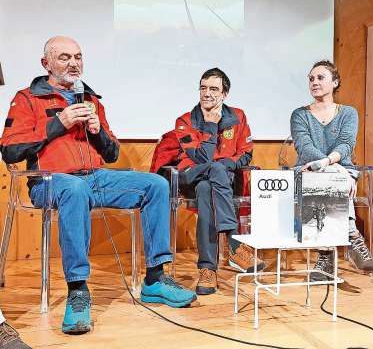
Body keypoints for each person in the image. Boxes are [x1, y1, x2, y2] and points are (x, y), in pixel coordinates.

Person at [0, 36, 196, 335]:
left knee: (156, 184)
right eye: (64, 57)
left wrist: (99, 131)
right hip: (48, 182)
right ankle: (78, 290)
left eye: (78, 57)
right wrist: (59, 123)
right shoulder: (26, 98)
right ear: (46, 63)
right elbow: (10, 151)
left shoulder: (90, 100)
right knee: (75, 190)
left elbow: (112, 153)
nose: (73, 63)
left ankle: (155, 279)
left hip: (95, 177)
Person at [169, 67, 264, 296]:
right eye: (203, 88)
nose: (207, 93)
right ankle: (234, 244)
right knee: (206, 176)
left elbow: (246, 154)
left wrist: (223, 166)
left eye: (213, 89)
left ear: (225, 94)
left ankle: (207, 270)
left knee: (207, 189)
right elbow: (200, 159)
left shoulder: (238, 116)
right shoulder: (185, 121)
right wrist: (210, 126)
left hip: (219, 181)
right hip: (189, 176)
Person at [290, 60, 373, 281]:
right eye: (311, 78)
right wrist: (331, 166)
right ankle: (352, 236)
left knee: (333, 182)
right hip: (309, 170)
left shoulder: (348, 113)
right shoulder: (299, 114)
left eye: (320, 77)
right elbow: (304, 146)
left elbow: (346, 144)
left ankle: (326, 259)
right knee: (330, 180)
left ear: (335, 82)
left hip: (340, 170)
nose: (314, 82)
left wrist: (330, 163)